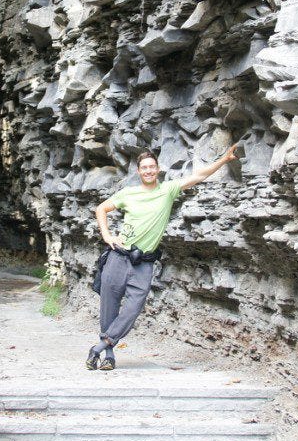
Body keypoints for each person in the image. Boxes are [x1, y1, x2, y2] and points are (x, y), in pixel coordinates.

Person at [86, 144, 239, 371]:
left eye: (152, 167)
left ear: (158, 169)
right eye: (144, 168)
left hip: (144, 263)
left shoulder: (167, 190)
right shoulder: (128, 193)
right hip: (118, 257)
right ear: (139, 171)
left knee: (133, 307)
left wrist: (225, 159)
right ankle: (108, 356)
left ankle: (99, 347)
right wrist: (107, 235)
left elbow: (199, 176)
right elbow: (101, 209)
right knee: (109, 306)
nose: (148, 171)